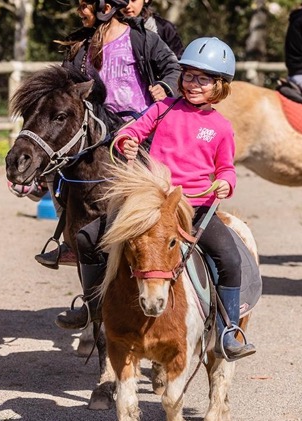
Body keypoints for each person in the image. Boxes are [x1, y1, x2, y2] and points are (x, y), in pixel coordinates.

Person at [114, 37, 255, 361]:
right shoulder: (163, 109)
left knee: (229, 260)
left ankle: (228, 331)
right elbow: (131, 132)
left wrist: (223, 183)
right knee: (94, 237)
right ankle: (95, 311)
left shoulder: (220, 127)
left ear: (219, 86)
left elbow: (227, 168)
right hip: (153, 202)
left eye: (203, 79)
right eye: (189, 76)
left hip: (196, 206)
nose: (193, 84)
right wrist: (127, 142)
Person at [47, 0, 181, 329]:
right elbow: (64, 89)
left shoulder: (144, 39)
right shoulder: (79, 48)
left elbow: (175, 69)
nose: (82, 11)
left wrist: (164, 87)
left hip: (141, 131)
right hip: (96, 132)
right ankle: (74, 254)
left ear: (109, 7)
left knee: (156, 195)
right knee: (61, 175)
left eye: (87, 4)